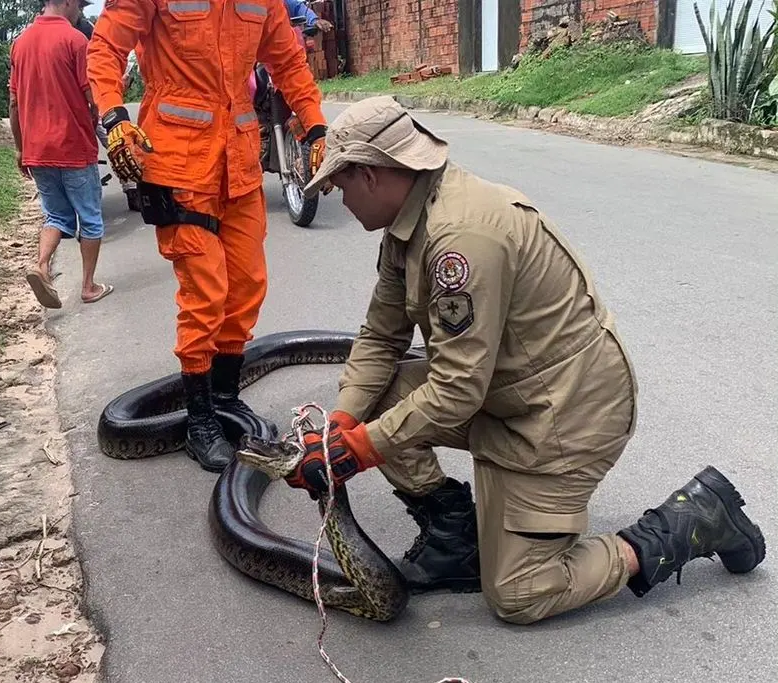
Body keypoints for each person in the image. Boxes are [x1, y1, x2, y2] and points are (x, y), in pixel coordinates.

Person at [285, 96, 765, 625]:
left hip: (565, 416)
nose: (339, 198)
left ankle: (693, 521)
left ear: (371, 175)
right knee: (376, 399)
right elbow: (381, 335)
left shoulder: (459, 240)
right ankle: (454, 539)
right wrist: (341, 424)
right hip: (505, 393)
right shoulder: (408, 225)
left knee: (518, 593)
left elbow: (456, 391)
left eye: (340, 184)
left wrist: (358, 450)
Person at [87, 0, 328, 472]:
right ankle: (199, 420)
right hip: (177, 163)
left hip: (239, 163)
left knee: (247, 286)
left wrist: (315, 124)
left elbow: (288, 61)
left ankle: (225, 397)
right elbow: (106, 48)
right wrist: (114, 116)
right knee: (206, 292)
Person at [10, 0, 112, 309]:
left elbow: (14, 104)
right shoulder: (75, 40)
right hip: (73, 146)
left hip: (37, 149)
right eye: (79, 5)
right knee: (90, 219)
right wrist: (101, 115)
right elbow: (93, 96)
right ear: (67, 2)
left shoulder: (20, 43)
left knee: (55, 216)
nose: (80, 11)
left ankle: (41, 266)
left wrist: (20, 148)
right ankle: (89, 286)